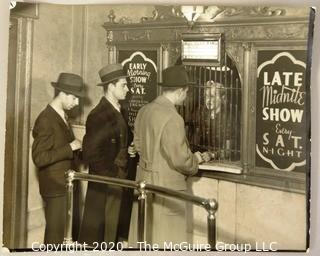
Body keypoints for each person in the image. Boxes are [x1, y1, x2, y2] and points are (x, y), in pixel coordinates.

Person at [128, 65, 211, 246]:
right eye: (186, 92)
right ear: (181, 91)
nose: (186, 96)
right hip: (167, 188)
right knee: (168, 240)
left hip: (143, 181)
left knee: (145, 236)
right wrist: (196, 160)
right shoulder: (173, 118)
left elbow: (138, 145)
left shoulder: (144, 111)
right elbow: (180, 160)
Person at [79, 63, 130, 245]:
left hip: (118, 180)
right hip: (106, 182)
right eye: (123, 85)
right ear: (111, 86)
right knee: (101, 233)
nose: (128, 89)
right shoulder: (98, 115)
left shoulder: (120, 110)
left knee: (112, 229)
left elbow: (119, 141)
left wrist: (127, 149)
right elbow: (91, 153)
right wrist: (112, 176)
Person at [32, 72, 85, 244]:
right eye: (75, 98)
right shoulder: (46, 119)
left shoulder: (61, 115)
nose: (77, 103)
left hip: (66, 186)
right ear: (62, 94)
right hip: (55, 189)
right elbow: (39, 157)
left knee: (66, 236)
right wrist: (69, 148)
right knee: (54, 239)